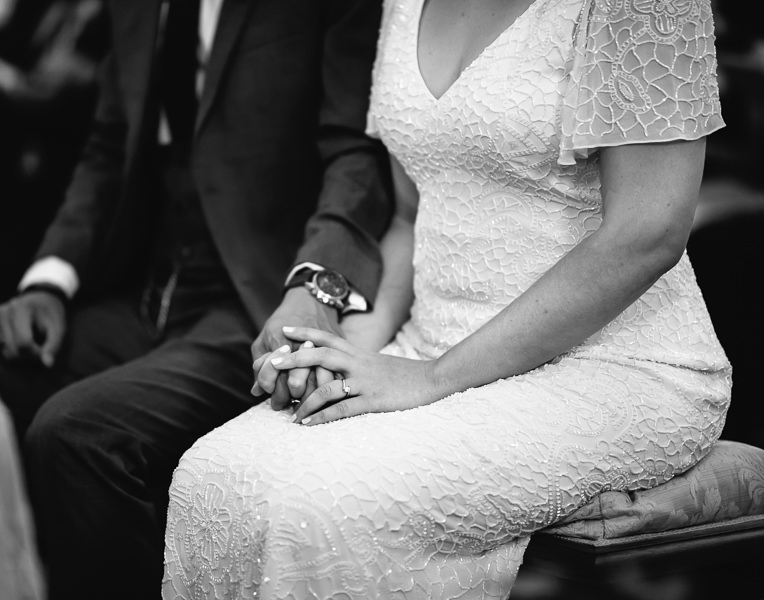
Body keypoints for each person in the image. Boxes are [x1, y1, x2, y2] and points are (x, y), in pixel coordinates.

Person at [161, 0, 732, 598]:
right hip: (428, 341)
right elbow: (413, 216)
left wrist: (432, 377)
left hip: (614, 365)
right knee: (216, 475)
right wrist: (346, 347)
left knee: (326, 506)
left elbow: (646, 236)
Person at [0, 1, 391, 598]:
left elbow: (357, 153)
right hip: (144, 288)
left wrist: (312, 289)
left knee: (77, 434)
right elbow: (109, 143)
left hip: (250, 301)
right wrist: (48, 280)